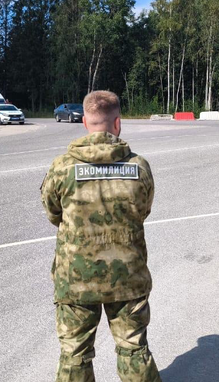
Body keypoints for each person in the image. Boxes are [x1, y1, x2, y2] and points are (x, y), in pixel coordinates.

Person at [41, 90, 162, 382]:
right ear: (117, 123)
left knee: (75, 354)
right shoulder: (139, 167)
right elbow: (142, 210)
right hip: (128, 278)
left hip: (76, 279)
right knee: (133, 348)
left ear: (85, 122)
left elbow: (53, 213)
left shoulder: (62, 167)